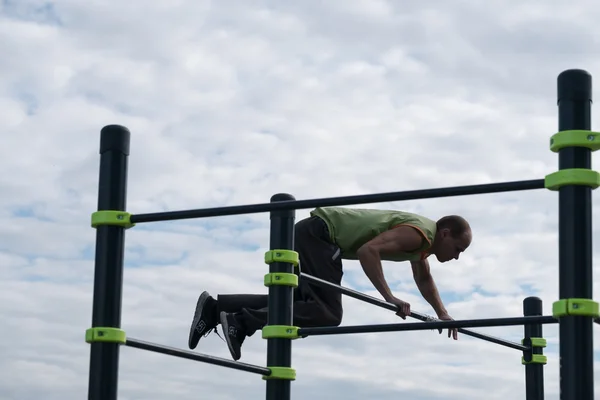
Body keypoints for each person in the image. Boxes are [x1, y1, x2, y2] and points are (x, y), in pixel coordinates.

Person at [187, 206, 472, 361]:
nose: (457, 257)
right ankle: (241, 322)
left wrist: (443, 314)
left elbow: (424, 277)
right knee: (327, 314)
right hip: (321, 236)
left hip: (313, 233)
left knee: (299, 304)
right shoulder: (419, 235)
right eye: (458, 249)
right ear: (445, 234)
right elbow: (367, 251)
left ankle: (216, 309)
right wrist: (389, 297)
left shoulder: (423, 245)